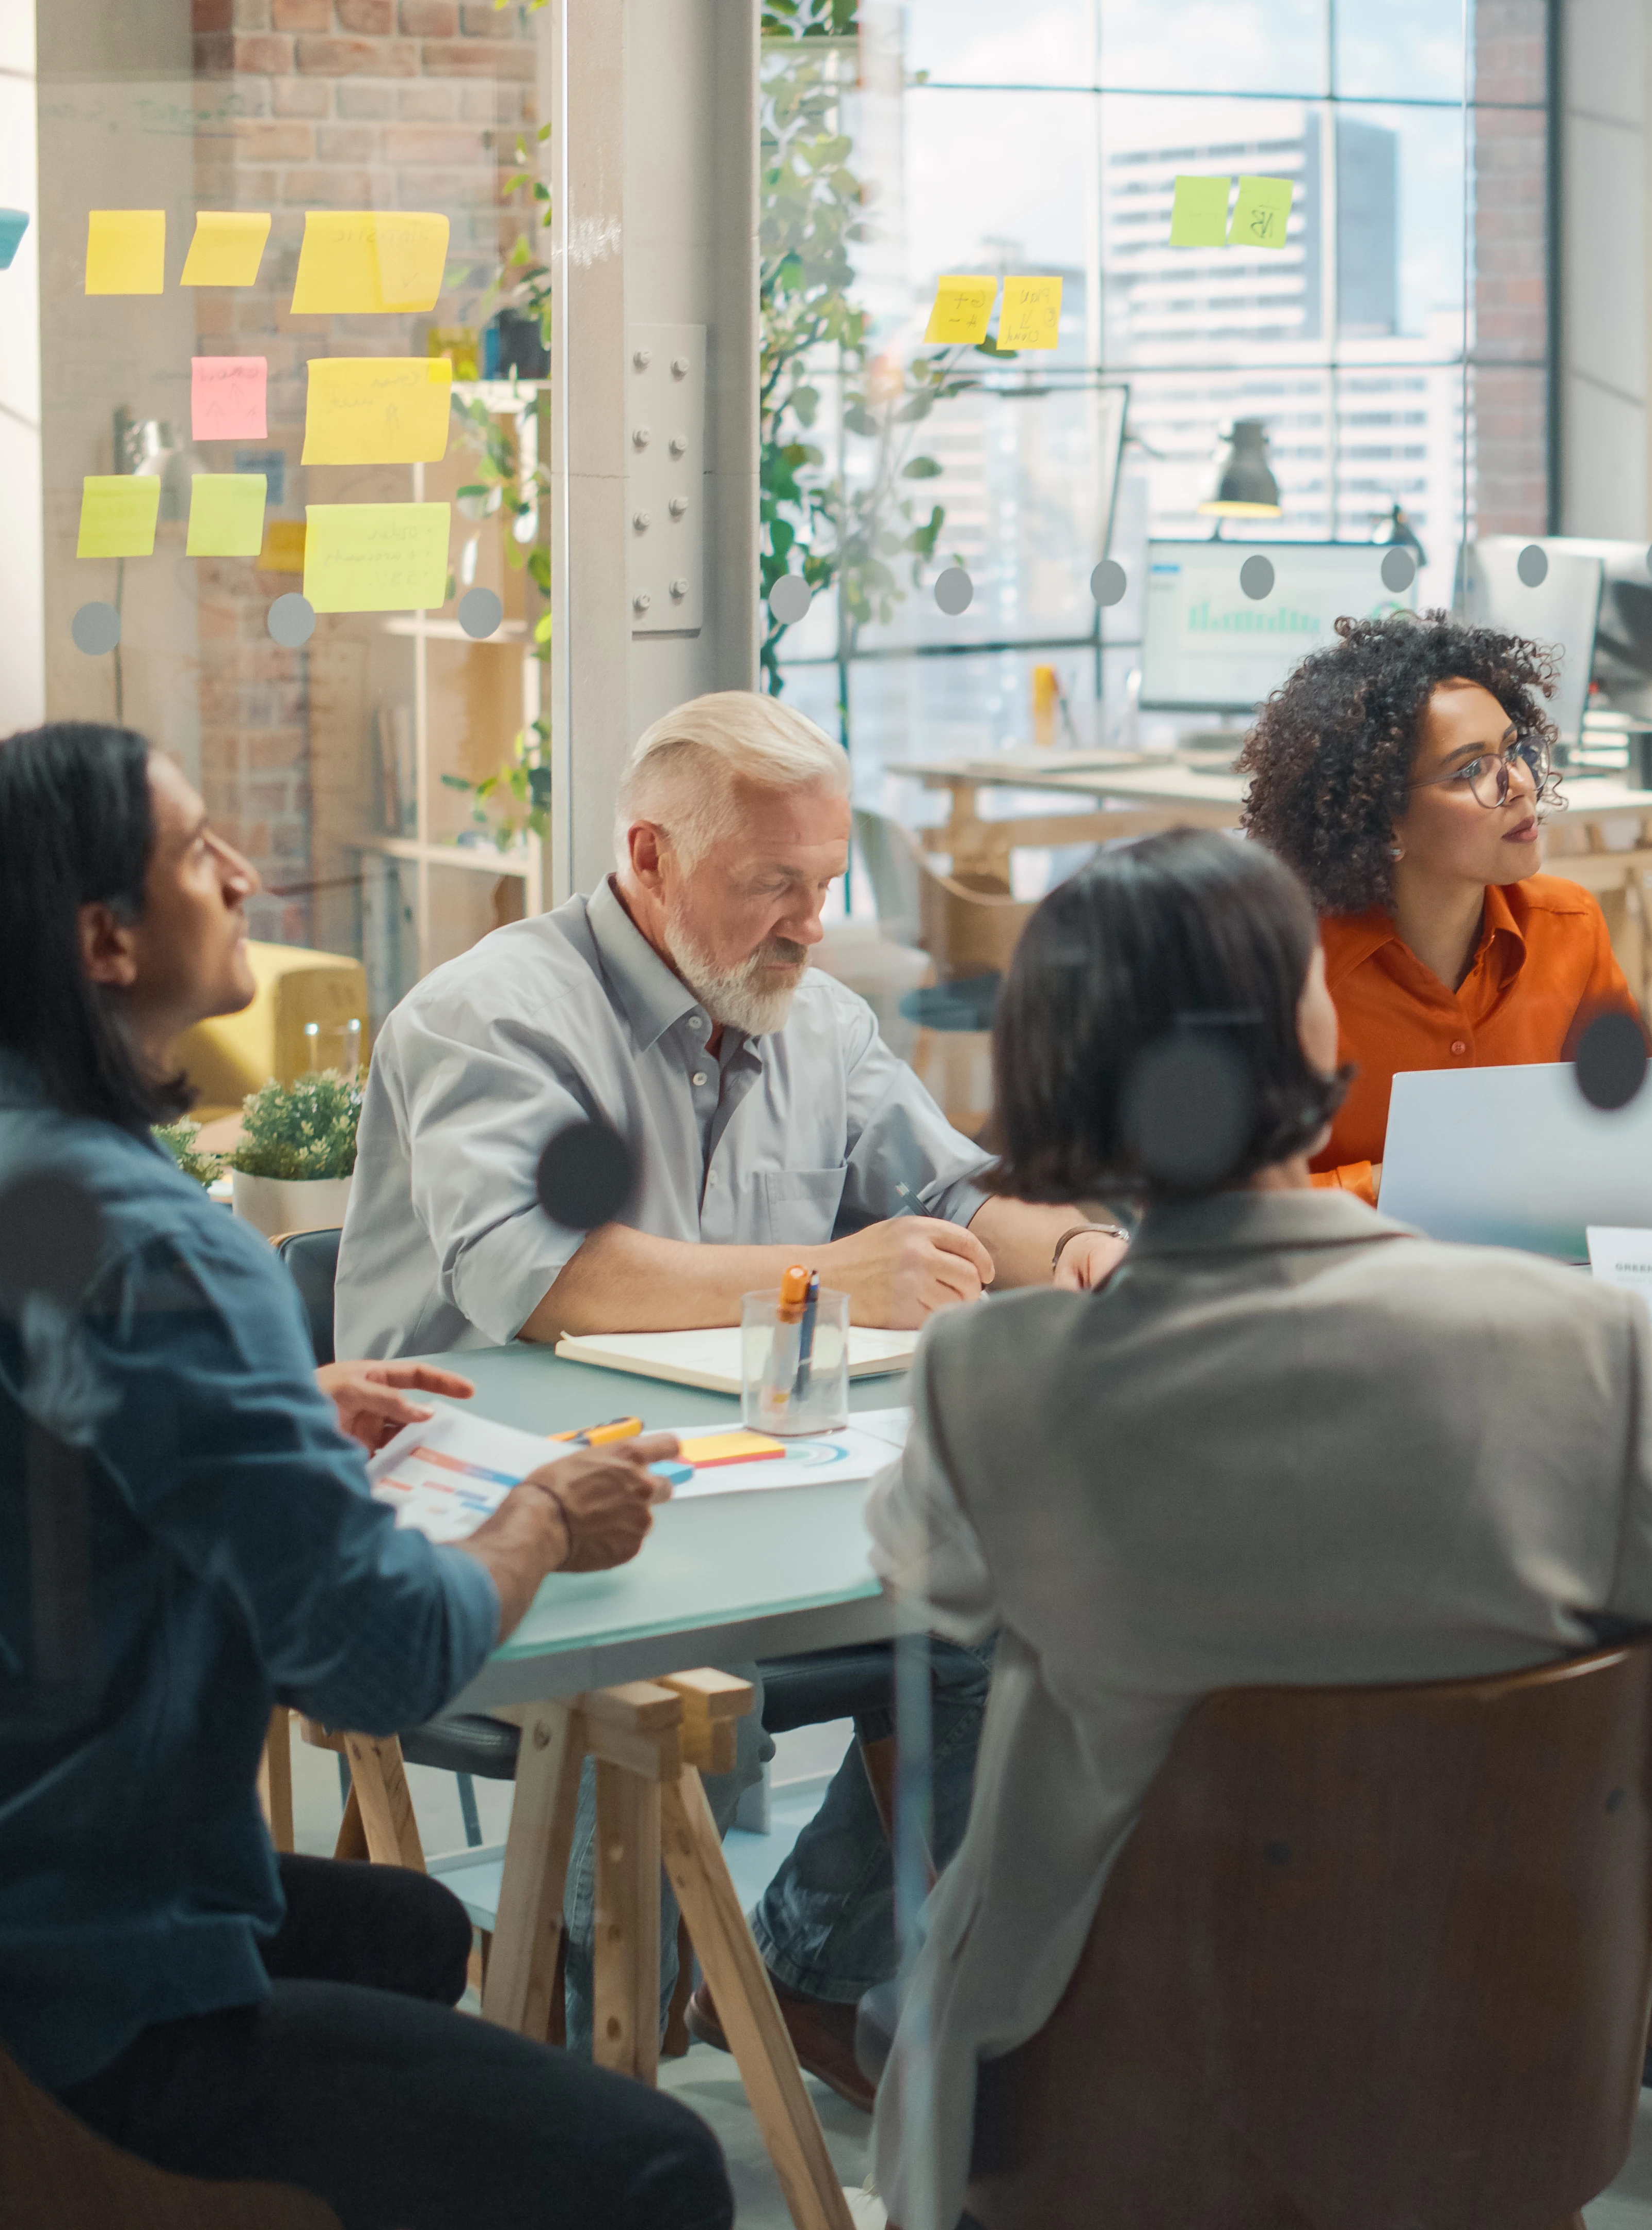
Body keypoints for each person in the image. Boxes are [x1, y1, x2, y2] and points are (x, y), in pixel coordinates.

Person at [0, 723, 721, 2230]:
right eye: (202, 851)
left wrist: (270, 1405)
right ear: (103, 939)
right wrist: (541, 1518)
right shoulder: (149, 1240)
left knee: (398, 1929)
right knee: (657, 2168)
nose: (248, 873)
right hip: (62, 1996)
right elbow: (382, 1661)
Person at [861, 829, 1652, 2230]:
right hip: (1507, 2067)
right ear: (1312, 1023)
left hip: (1121, 2104)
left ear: (1050, 1071)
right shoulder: (1577, 1345)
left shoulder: (993, 1381)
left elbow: (927, 1577)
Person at [336, 689, 1104, 2103]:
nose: (813, 924)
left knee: (1026, 1618)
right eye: (774, 888)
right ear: (649, 857)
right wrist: (830, 1273)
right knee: (652, 1674)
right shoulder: (490, 1016)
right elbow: (538, 1269)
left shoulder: (816, 1019)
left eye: (826, 884)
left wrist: (1070, 1248)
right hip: (493, 1517)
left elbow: (950, 1194)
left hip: (751, 1485)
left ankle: (814, 1970)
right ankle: (561, 2082)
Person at [1234, 611, 1638, 1201]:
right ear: (1382, 819)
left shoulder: (1569, 927)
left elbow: (1627, 1135)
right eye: (1473, 769)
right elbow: (1225, 1209)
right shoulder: (1285, 972)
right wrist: (1392, 1186)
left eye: (1514, 750)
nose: (1521, 784)